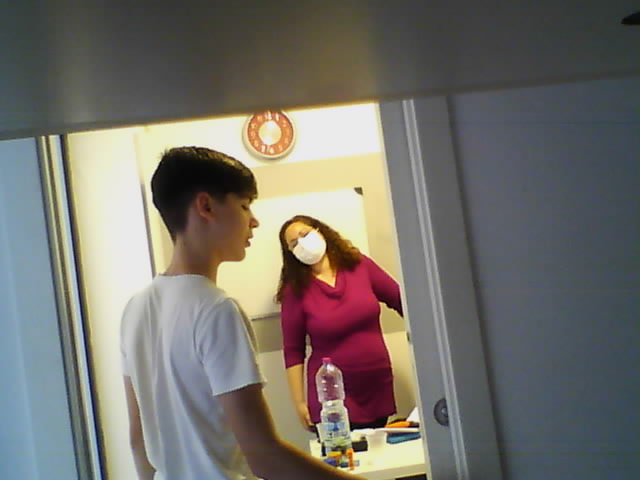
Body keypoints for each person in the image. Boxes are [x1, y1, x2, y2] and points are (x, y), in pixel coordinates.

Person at [120, 147, 364, 480]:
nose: (254, 221)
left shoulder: (135, 309)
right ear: (206, 206)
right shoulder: (216, 309)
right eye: (245, 205)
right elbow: (265, 457)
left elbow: (138, 442)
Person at [277, 215, 404, 433]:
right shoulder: (295, 290)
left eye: (304, 235)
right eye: (294, 243)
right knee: (341, 453)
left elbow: (402, 301)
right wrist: (299, 403)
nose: (302, 244)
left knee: (380, 451)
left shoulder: (360, 265)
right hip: (331, 395)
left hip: (375, 386)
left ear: (320, 231)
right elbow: (293, 351)